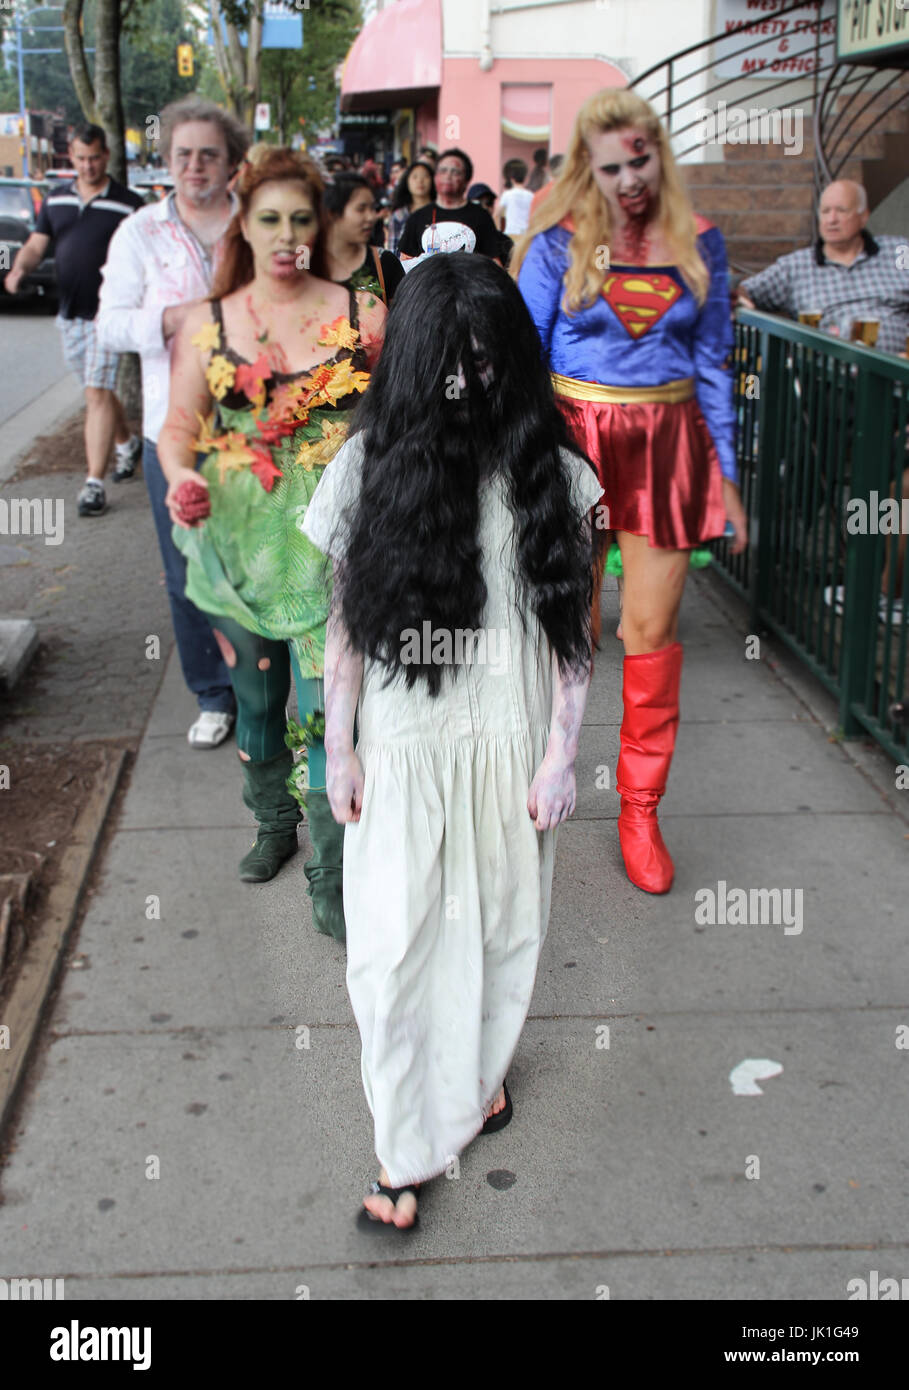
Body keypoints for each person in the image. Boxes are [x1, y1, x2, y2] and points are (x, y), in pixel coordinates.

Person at [301, 252, 602, 1229]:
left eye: (486, 360)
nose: (467, 381)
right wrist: (340, 747)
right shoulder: (364, 468)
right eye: (449, 361)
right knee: (390, 954)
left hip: (509, 745)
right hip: (404, 746)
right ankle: (403, 1155)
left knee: (501, 935)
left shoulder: (558, 474)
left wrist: (562, 757)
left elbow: (574, 630)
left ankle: (478, 1079)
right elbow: (343, 623)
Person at [512, 88, 747, 897]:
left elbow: (715, 363)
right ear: (587, 165)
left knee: (650, 632)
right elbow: (521, 361)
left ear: (658, 152)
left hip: (668, 443)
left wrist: (727, 475)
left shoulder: (700, 244)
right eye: (609, 166)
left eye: (639, 159)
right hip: (574, 439)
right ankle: (543, 770)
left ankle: (639, 810)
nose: (628, 179)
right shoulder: (557, 242)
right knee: (562, 621)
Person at [158, 147, 385, 937]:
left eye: (299, 219)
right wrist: (181, 479)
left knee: (331, 714)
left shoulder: (365, 318)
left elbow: (400, 422)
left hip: (337, 551)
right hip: (241, 554)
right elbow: (178, 431)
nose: (286, 235)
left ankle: (330, 868)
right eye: (269, 220)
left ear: (316, 226)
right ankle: (272, 826)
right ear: (243, 224)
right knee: (256, 710)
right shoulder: (207, 326)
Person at [97, 97, 250, 750]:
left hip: (258, 432)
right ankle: (213, 693)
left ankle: (261, 689)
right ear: (168, 161)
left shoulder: (257, 224)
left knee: (256, 564)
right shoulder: (139, 233)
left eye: (208, 153)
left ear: (232, 162)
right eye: (183, 154)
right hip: (175, 436)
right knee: (187, 569)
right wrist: (177, 318)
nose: (195, 166)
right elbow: (108, 324)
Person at [4, 124, 144, 518]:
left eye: (95, 157)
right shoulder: (56, 199)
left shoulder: (128, 203)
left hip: (109, 314)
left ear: (107, 156)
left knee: (96, 393)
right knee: (94, 388)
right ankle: (126, 444)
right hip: (69, 314)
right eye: (81, 159)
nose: (88, 165)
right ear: (71, 157)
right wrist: (17, 270)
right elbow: (36, 243)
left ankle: (94, 484)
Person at [736, 180, 909, 354]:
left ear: (863, 217)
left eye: (841, 211)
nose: (831, 219)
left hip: (895, 374)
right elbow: (744, 291)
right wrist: (736, 295)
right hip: (823, 375)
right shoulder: (795, 266)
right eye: (825, 211)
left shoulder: (899, 252)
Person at [398, 148, 500, 264]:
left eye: (455, 172)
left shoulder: (481, 216)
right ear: (435, 177)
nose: (448, 176)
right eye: (443, 171)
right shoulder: (417, 217)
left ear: (467, 180)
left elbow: (494, 263)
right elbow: (404, 262)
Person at [323, 173, 404, 307]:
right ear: (333, 214)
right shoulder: (307, 264)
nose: (371, 217)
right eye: (361, 209)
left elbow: (402, 322)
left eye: (372, 208)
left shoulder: (385, 262)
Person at [386, 159, 435, 257]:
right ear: (407, 182)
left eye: (425, 176)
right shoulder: (399, 216)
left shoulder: (441, 211)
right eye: (415, 177)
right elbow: (393, 253)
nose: (420, 181)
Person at [496, 159, 532, 236]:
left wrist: (498, 233)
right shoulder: (531, 195)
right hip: (526, 234)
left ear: (511, 179)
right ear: (525, 177)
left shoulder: (507, 195)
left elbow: (496, 215)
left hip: (511, 233)